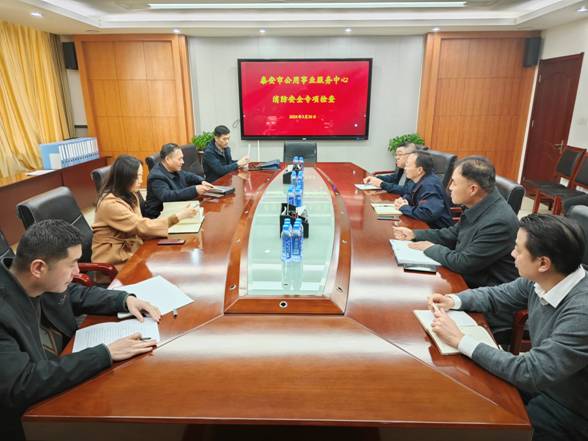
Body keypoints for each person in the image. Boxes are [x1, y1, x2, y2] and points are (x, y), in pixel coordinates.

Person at [428, 214, 588, 441]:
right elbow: (498, 295)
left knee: (483, 426)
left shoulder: (582, 311)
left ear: (543, 263)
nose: (512, 254)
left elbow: (531, 372)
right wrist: (454, 300)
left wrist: (460, 340)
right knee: (468, 390)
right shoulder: (545, 278)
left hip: (571, 408)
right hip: (545, 384)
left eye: (518, 250)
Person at [0, 219, 162, 440]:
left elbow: (75, 294)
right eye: (72, 263)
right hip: (32, 418)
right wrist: (104, 353)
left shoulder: (33, 280)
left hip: (64, 368)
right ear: (38, 267)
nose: (77, 271)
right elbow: (20, 385)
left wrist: (123, 300)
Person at [392, 156, 519, 288]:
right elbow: (453, 233)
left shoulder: (498, 222)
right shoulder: (479, 204)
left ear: (473, 189)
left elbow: (464, 263)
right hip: (467, 277)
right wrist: (414, 234)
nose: (450, 188)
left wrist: (430, 248)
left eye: (454, 183)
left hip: (483, 290)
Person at [92, 155, 197, 275]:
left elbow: (140, 227)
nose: (141, 181)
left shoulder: (130, 195)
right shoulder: (110, 204)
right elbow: (141, 226)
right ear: (125, 178)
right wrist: (178, 216)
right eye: (137, 177)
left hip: (132, 250)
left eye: (141, 176)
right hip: (115, 261)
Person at [144, 143, 214, 219]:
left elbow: (187, 175)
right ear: (168, 159)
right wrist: (194, 190)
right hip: (160, 217)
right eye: (179, 159)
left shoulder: (172, 168)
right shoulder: (156, 176)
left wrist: (201, 181)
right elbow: (167, 196)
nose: (183, 162)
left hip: (176, 209)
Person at [393, 151, 453, 229]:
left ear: (419, 170)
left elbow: (428, 213)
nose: (405, 168)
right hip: (421, 223)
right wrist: (403, 200)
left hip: (435, 229)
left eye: (407, 166)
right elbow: (410, 194)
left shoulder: (430, 185)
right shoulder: (417, 179)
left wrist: (404, 207)